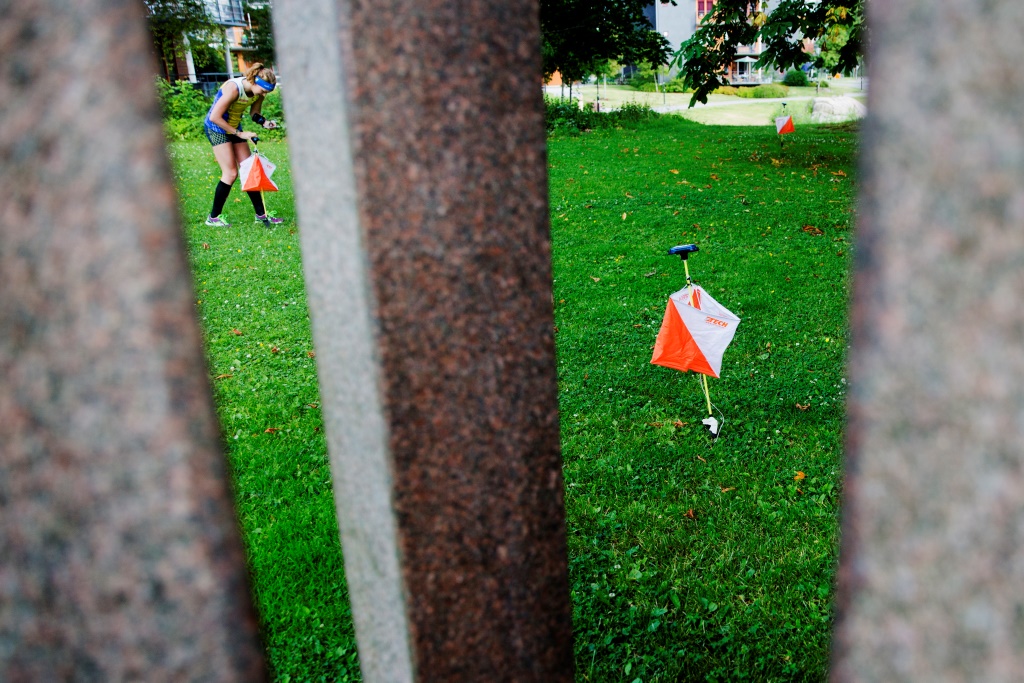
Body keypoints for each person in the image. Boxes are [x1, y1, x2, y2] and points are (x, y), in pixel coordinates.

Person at [202, 63, 283, 227]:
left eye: (267, 91)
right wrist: (239, 134)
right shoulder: (233, 88)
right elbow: (215, 117)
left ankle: (261, 215)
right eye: (264, 90)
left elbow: (254, 113)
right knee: (230, 173)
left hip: (234, 127)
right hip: (216, 128)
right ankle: (213, 218)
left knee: (249, 169)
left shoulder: (258, 93)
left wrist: (264, 122)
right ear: (254, 81)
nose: (265, 94)